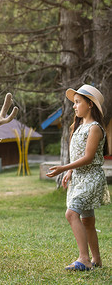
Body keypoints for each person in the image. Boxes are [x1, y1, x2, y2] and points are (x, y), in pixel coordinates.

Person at [46, 84, 110, 271]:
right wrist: (69, 172)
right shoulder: (78, 125)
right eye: (74, 103)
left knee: (71, 213)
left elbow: (88, 157)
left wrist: (63, 167)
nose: (74, 106)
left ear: (90, 104)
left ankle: (84, 259)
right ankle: (97, 260)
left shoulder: (95, 128)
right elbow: (76, 153)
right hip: (79, 178)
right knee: (87, 220)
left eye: (78, 102)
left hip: (91, 178)